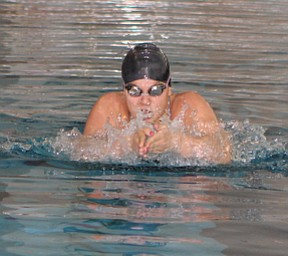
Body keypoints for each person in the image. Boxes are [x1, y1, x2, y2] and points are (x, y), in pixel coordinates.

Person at [83, 43, 231, 164]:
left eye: (155, 91)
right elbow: (80, 152)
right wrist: (127, 144)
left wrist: (176, 142)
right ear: (123, 90)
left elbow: (223, 152)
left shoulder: (188, 106)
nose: (145, 101)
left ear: (169, 88)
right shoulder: (110, 106)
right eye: (135, 91)